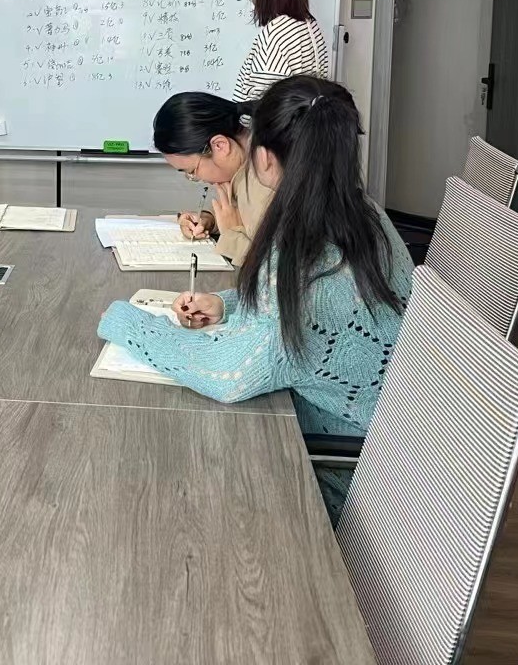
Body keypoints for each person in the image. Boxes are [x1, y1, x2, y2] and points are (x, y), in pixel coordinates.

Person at [100, 75, 411, 521]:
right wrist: (228, 304)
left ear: (264, 156)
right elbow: (291, 309)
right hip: (391, 437)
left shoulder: (302, 246)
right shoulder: (363, 213)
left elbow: (232, 373)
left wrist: (126, 319)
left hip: (350, 469)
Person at [153, 91, 271, 267]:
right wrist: (210, 220)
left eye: (193, 171)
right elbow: (242, 214)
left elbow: (277, 269)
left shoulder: (267, 177)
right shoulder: (241, 169)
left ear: (220, 146)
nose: (196, 178)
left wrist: (232, 235)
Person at [233, 0, 331, 101]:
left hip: (280, 119)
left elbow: (263, 105)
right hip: (303, 117)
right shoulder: (309, 24)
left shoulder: (276, 34)